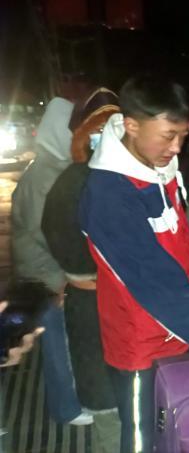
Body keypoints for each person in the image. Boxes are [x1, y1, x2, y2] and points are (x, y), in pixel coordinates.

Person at [79, 74, 189, 453]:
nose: (176, 148)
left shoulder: (157, 169)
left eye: (183, 136)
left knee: (175, 429)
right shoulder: (110, 193)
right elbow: (151, 276)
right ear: (131, 125)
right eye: (168, 136)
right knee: (143, 437)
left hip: (178, 334)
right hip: (142, 345)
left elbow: (180, 249)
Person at [42, 87, 121, 452]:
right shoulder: (84, 182)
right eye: (101, 129)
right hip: (97, 304)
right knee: (110, 406)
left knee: (114, 398)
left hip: (95, 300)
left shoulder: (96, 178)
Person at [10, 96, 93, 426]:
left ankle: (68, 403)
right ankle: (67, 409)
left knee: (60, 339)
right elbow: (45, 232)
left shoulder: (53, 167)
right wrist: (64, 278)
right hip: (47, 274)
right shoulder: (45, 175)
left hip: (47, 270)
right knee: (59, 342)